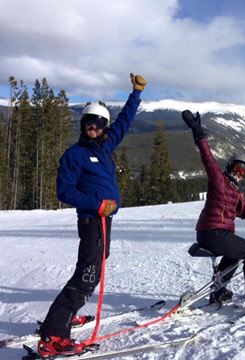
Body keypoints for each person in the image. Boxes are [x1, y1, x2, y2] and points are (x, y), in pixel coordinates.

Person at [37, 73, 147, 357]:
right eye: (88, 123)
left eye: (97, 124)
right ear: (83, 125)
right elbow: (65, 191)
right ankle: (53, 335)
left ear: (103, 127)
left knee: (94, 270)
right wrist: (97, 206)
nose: (92, 127)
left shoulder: (106, 146)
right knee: (87, 276)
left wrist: (136, 93)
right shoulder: (74, 155)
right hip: (91, 221)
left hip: (104, 221)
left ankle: (66, 316)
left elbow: (124, 121)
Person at [181, 110, 245, 312]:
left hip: (219, 234)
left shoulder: (238, 194)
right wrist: (199, 134)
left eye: (244, 171)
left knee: (235, 255)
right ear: (229, 167)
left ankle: (218, 291)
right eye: (237, 168)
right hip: (211, 232)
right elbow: (207, 157)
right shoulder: (219, 180)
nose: (240, 173)